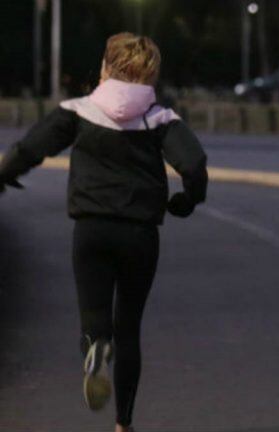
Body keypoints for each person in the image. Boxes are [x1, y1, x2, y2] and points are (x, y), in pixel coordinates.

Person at [0, 33, 208, 432]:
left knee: (96, 321)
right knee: (129, 327)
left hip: (91, 230)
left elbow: (30, 148)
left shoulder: (78, 111)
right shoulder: (160, 119)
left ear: (104, 68)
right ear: (152, 74)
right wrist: (188, 201)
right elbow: (194, 165)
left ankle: (96, 347)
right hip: (140, 235)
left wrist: (5, 175)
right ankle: (123, 425)